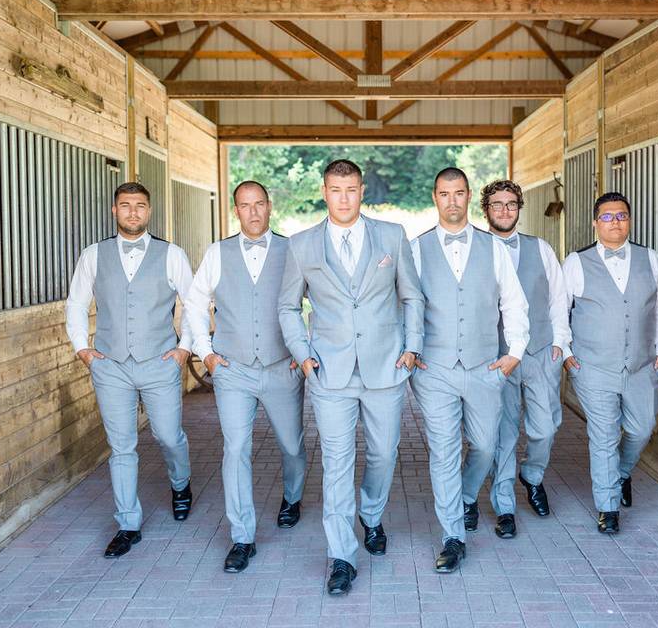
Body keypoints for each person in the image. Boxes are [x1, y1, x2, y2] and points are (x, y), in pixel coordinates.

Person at [278, 159, 424, 595]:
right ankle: (341, 555)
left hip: (386, 368)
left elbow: (411, 295)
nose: (344, 197)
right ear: (324, 191)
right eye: (336, 189)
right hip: (329, 372)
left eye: (352, 189)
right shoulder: (302, 245)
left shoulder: (392, 236)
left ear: (362, 191)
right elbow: (288, 307)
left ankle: (372, 516)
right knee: (336, 465)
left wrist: (412, 346)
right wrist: (303, 355)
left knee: (383, 454)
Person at [409, 167, 529, 573]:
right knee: (443, 451)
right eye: (444, 194)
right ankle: (453, 537)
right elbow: (403, 305)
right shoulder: (415, 248)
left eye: (459, 193)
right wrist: (411, 352)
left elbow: (513, 301)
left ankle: (464, 495)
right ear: (435, 197)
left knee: (485, 444)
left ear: (467, 196)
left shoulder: (492, 248)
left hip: (483, 366)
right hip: (434, 368)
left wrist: (514, 352)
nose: (452, 201)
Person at [65, 182, 194, 558]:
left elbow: (194, 302)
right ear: (114, 210)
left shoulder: (171, 254)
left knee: (169, 435)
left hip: (160, 360)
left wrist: (184, 347)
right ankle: (127, 523)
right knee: (121, 447)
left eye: (140, 206)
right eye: (126, 206)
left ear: (149, 211)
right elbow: (76, 303)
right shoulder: (93, 255)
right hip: (110, 364)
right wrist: (82, 348)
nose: (133, 212)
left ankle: (181, 482)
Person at [185, 180, 307, 573]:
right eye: (244, 205)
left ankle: (293, 495)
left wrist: (303, 351)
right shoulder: (217, 253)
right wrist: (206, 351)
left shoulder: (293, 250)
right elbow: (194, 300)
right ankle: (242, 536)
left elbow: (322, 300)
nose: (252, 212)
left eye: (259, 204)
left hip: (281, 366)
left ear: (269, 207)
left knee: (292, 445)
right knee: (235, 449)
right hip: (232, 369)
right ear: (235, 210)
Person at [562, 192, 658, 534]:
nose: (616, 222)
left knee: (642, 429)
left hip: (642, 366)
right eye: (608, 217)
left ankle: (621, 473)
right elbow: (558, 310)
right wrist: (567, 355)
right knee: (604, 435)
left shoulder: (650, 259)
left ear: (629, 220)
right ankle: (608, 507)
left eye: (622, 216)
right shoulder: (576, 262)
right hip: (592, 366)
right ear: (596, 223)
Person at [472, 179, 569, 539]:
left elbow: (558, 297)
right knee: (504, 434)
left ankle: (532, 476)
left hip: (540, 350)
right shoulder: (475, 249)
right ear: (486, 209)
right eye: (497, 204)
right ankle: (504, 507)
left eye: (511, 204)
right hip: (497, 356)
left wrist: (560, 341)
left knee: (545, 427)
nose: (504, 210)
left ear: (519, 208)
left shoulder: (540, 248)